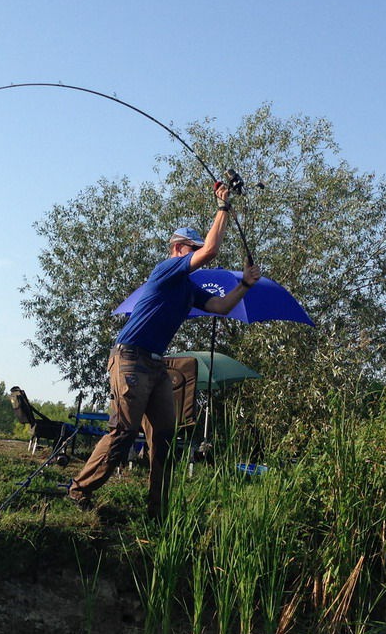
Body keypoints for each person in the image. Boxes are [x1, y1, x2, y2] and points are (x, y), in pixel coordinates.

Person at [67, 183, 260, 519]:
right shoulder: (165, 270)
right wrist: (222, 207)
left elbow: (221, 306)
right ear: (176, 249)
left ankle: (158, 511)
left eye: (196, 248)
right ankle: (79, 491)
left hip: (156, 366)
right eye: (191, 248)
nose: (196, 253)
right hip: (130, 358)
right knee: (124, 431)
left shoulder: (188, 288)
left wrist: (244, 284)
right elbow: (212, 251)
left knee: (165, 439)